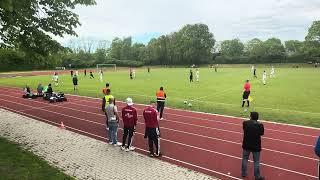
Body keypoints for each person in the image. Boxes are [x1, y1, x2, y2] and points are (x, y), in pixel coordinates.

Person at [241, 112, 264, 180]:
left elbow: (244, 128)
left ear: (251, 117)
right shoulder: (260, 125)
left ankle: (243, 173)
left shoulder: (245, 123)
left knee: (245, 159)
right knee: (256, 161)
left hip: (246, 144)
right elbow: (262, 133)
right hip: (256, 146)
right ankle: (257, 176)